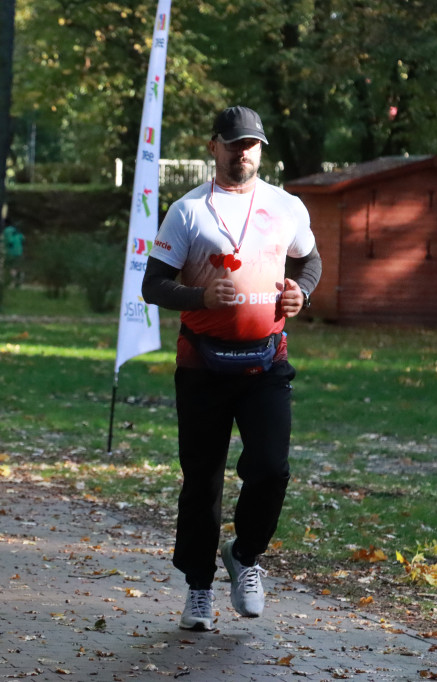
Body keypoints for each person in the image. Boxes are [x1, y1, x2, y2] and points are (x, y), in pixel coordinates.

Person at [141, 106, 322, 632]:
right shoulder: (188, 211)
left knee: (271, 468)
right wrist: (201, 295)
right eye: (234, 143)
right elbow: (153, 285)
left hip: (266, 362)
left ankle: (244, 555)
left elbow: (309, 261)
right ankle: (198, 590)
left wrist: (301, 291)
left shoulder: (285, 206)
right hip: (202, 365)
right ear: (214, 146)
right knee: (203, 480)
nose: (244, 152)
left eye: (252, 144)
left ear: (261, 150)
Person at [1, 223, 25, 287]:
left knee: (11, 268)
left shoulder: (10, 235)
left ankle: (12, 282)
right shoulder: (19, 235)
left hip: (11, 253)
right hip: (19, 253)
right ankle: (19, 282)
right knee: (18, 268)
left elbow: (9, 242)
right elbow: (23, 239)